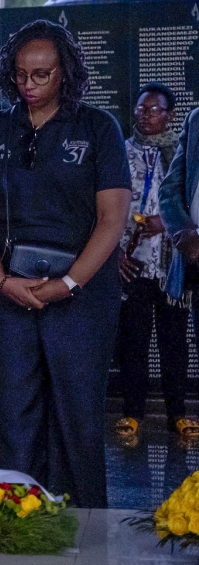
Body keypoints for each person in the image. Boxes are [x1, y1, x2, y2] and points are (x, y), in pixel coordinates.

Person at [0, 20, 130, 508]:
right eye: (20, 74)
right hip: (10, 292)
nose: (29, 85)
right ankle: (21, 521)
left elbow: (113, 218)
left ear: (66, 72)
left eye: (41, 75)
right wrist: (1, 280)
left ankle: (84, 525)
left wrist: (69, 283)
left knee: (77, 416)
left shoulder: (98, 127)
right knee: (14, 415)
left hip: (81, 295)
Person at [120, 84, 196, 439]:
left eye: (154, 109)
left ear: (170, 115)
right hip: (132, 261)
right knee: (133, 341)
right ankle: (132, 413)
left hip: (172, 264)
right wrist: (114, 252)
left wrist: (165, 222)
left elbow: (189, 199)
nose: (145, 115)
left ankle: (177, 414)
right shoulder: (121, 152)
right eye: (141, 108)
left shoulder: (183, 153)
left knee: (174, 342)